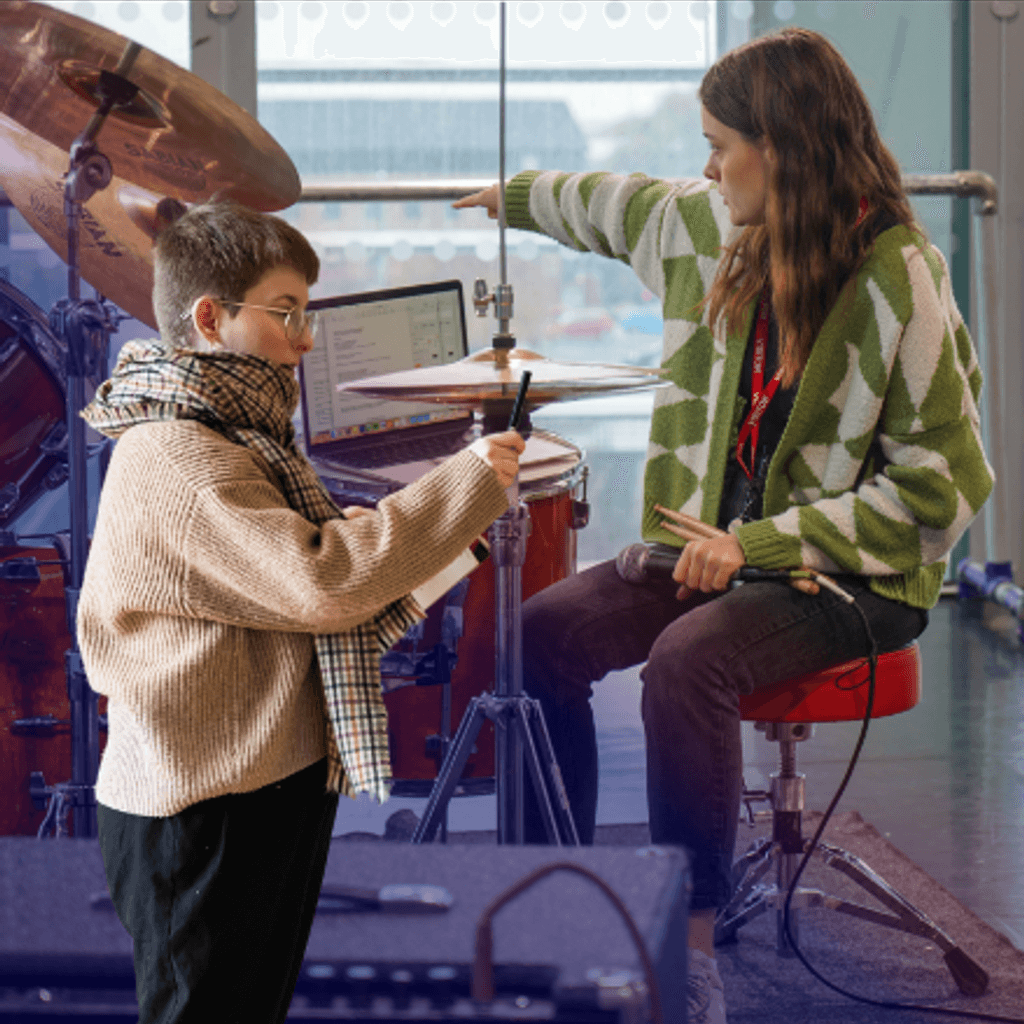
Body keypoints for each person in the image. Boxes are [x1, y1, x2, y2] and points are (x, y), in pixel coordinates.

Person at [454, 26, 993, 1024]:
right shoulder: (717, 229)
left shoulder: (900, 277)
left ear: (781, 146)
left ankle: (690, 943)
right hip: (712, 550)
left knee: (689, 661)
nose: (705, 166)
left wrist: (758, 545)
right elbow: (616, 206)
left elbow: (940, 491)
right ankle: (556, 893)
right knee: (534, 637)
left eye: (719, 143)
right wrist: (513, 197)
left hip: (853, 579)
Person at [76, 200, 525, 1024]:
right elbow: (319, 582)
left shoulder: (237, 432)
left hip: (263, 771)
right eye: (286, 314)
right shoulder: (180, 452)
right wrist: (467, 485)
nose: (306, 338)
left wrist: (385, 534)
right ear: (210, 318)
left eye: (305, 313)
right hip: (203, 800)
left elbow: (287, 567)